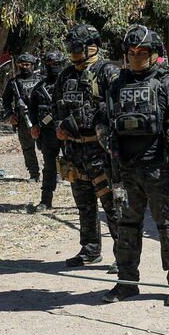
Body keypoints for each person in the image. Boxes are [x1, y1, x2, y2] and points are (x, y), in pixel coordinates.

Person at [102, 26, 169, 305]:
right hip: (129, 171)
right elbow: (109, 124)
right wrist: (114, 171)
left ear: (154, 54)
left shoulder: (168, 85)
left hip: (162, 170)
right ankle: (126, 283)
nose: (135, 58)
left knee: (167, 227)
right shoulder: (117, 85)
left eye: (142, 53)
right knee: (127, 227)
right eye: (131, 53)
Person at [52, 24, 120, 267]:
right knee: (84, 203)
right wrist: (60, 126)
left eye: (76, 49)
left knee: (112, 205)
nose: (73, 54)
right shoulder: (66, 75)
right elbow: (56, 108)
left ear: (92, 47)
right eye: (71, 50)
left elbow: (119, 109)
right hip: (74, 151)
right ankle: (90, 249)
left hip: (100, 151)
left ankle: (123, 255)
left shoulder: (107, 72)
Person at [27, 51, 68, 212]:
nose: (52, 67)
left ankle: (82, 203)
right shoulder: (40, 87)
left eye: (55, 64)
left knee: (75, 166)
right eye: (49, 64)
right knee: (49, 167)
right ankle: (46, 201)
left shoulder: (69, 84)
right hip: (48, 134)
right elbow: (32, 109)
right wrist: (35, 125)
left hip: (67, 132)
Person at [2, 52, 43, 181]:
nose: (24, 67)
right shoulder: (14, 82)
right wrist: (10, 115)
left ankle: (52, 172)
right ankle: (34, 174)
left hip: (41, 118)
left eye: (27, 65)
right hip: (23, 119)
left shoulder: (40, 80)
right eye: (21, 65)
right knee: (27, 148)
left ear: (32, 65)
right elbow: (6, 100)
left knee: (48, 147)